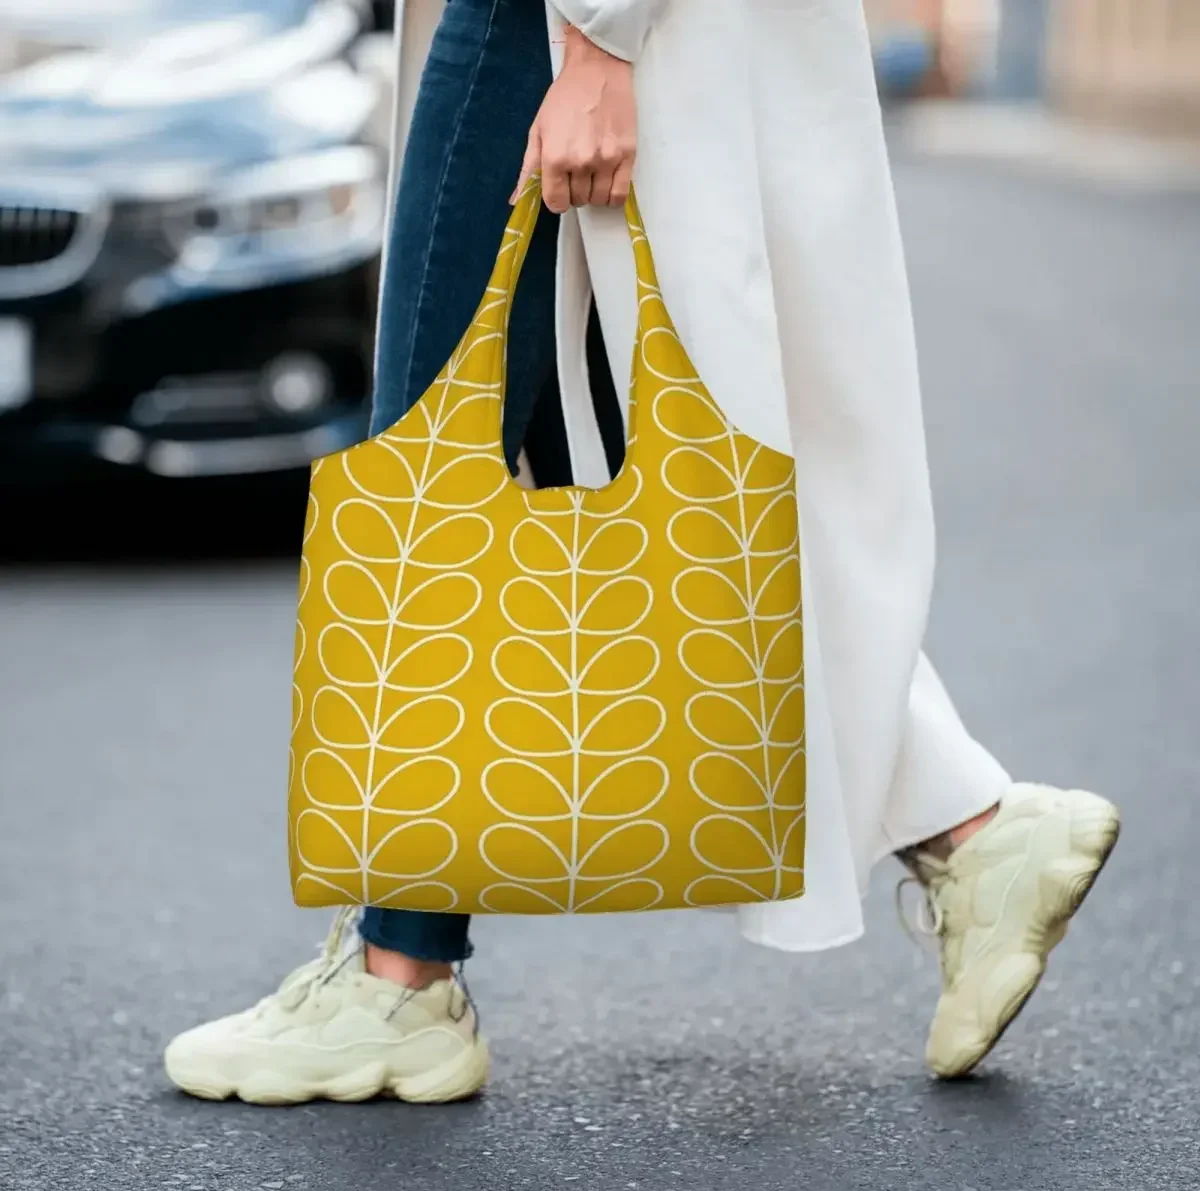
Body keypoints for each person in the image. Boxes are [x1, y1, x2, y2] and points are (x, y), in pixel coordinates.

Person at [163, 0, 1120, 1104]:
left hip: (557, 21)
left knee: (433, 443)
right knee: (611, 441)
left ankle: (396, 980)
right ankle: (972, 830)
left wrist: (601, 39)